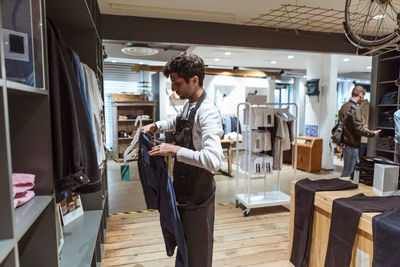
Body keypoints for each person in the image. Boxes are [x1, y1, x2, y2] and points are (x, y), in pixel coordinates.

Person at [142, 52, 224, 267]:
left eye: (177, 84)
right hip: (183, 192)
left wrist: (176, 150)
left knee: (198, 254)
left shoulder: (208, 112)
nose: (173, 89)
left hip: (199, 197)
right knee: (184, 247)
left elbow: (214, 161)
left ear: (194, 80)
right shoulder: (189, 105)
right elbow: (175, 119)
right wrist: (156, 125)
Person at [339, 85, 380, 177]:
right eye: (363, 96)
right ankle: (342, 188)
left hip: (345, 142)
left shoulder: (344, 106)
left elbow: (346, 125)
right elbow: (358, 130)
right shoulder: (356, 108)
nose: (363, 99)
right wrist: (372, 133)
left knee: (350, 168)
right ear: (361, 94)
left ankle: (345, 187)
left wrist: (361, 127)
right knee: (349, 170)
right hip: (351, 143)